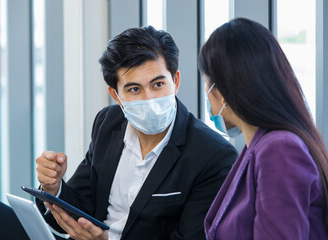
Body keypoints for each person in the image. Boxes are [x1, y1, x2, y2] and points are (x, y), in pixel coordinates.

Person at [35, 26, 238, 240]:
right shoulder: (108, 123)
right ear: (116, 94)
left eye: (158, 84)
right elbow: (81, 206)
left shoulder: (213, 155)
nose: (149, 99)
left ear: (175, 81)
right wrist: (53, 187)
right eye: (134, 89)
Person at [198, 18, 328, 240]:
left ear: (222, 89)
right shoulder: (259, 145)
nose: (206, 93)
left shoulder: (278, 149)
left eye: (206, 83)